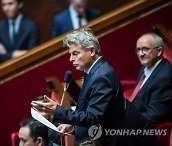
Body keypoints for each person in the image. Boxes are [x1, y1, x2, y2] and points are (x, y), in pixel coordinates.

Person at [32, 28, 160, 146]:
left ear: (92, 51)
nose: (71, 59)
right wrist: (74, 127)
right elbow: (95, 111)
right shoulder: (94, 71)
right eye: (70, 54)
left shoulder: (101, 76)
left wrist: (57, 110)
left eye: (75, 53)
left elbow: (93, 117)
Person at [129, 33, 172, 127]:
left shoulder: (164, 78)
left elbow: (152, 118)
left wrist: (124, 124)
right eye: (138, 50)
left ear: (159, 51)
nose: (141, 54)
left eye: (145, 49)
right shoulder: (147, 65)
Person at [0, 0, 40, 65]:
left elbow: (32, 55)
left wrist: (6, 54)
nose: (6, 8)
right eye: (3, 5)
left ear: (20, 4)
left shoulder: (31, 26)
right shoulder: (0, 26)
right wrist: (14, 54)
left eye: (10, 4)